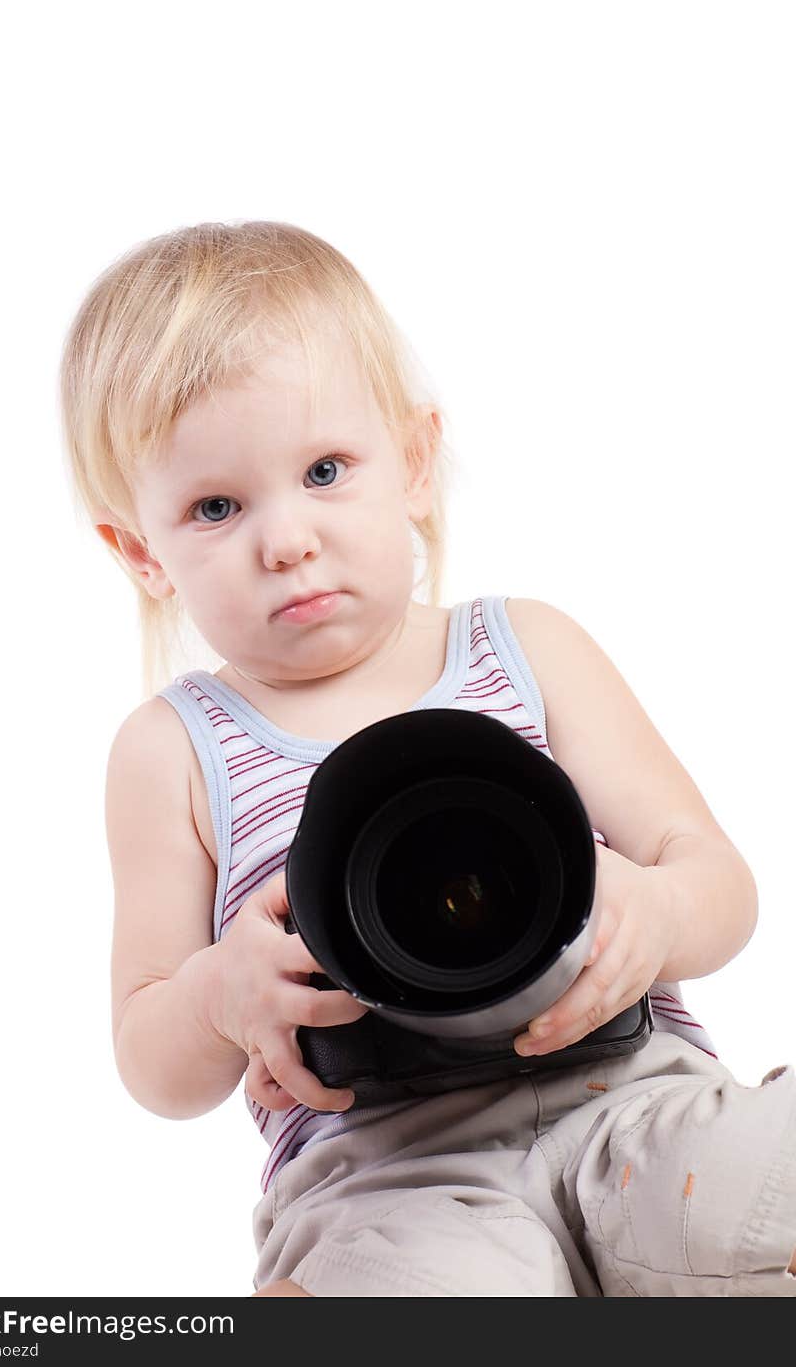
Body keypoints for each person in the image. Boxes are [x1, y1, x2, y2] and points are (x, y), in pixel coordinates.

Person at [58, 219, 796, 1297]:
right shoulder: (172, 749)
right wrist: (218, 993)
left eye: (324, 469)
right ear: (140, 549)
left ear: (409, 463)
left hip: (636, 1098)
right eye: (216, 506)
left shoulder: (525, 646)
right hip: (389, 1173)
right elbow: (150, 1061)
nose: (286, 540)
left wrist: (658, 911)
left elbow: (717, 883)